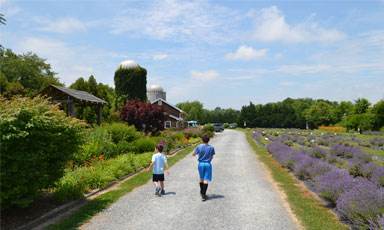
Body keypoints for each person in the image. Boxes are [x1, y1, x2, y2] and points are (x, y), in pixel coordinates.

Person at [193, 133, 215, 201]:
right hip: (207, 164)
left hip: (201, 164)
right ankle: (203, 194)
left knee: (201, 178)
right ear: (209, 140)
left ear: (202, 139)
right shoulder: (211, 148)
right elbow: (211, 157)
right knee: (206, 179)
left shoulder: (199, 147)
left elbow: (193, 154)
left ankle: (201, 191)